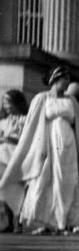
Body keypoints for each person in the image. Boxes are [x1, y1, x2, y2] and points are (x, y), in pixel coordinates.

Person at [0, 66, 79, 234]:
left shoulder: (71, 101)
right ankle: (45, 222)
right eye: (65, 79)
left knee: (65, 180)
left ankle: (63, 222)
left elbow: (78, 126)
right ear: (54, 79)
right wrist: (36, 147)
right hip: (48, 143)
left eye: (68, 79)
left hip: (68, 144)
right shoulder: (42, 98)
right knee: (44, 179)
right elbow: (31, 126)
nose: (67, 82)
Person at [0, 90, 29, 232]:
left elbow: (26, 138)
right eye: (4, 102)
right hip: (3, 155)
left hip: (17, 154)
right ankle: (9, 221)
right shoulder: (3, 121)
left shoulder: (25, 120)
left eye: (8, 102)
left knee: (18, 188)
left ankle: (19, 221)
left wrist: (9, 138)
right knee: (5, 187)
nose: (5, 105)